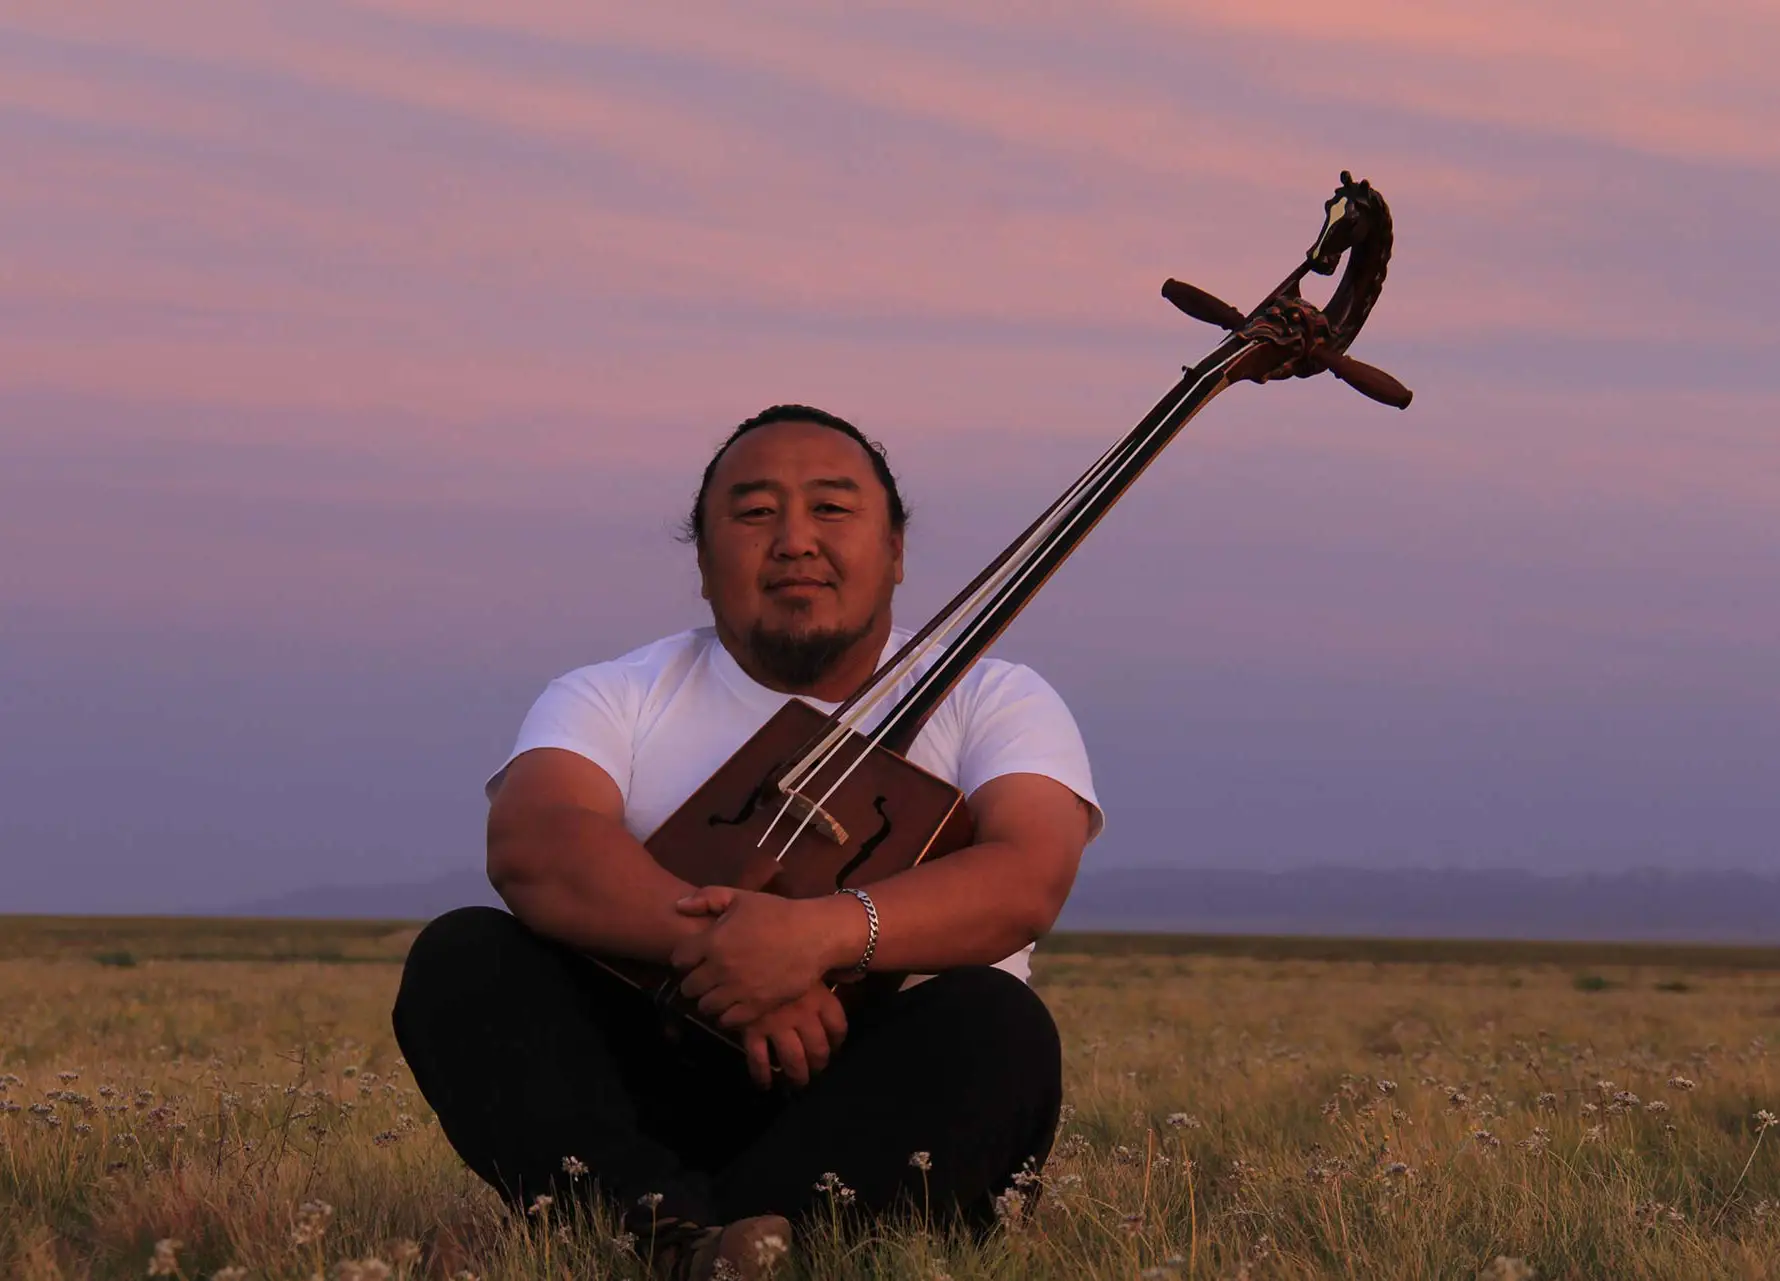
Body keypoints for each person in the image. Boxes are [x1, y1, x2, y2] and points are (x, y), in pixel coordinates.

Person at [392, 405, 1102, 1279]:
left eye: (832, 508)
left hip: (870, 1097)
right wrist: (730, 953)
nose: (795, 541)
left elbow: (1028, 877)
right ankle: (690, 1239)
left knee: (998, 1024)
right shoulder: (614, 692)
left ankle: (654, 1241)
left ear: (896, 550)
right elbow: (535, 843)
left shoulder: (999, 695)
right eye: (756, 512)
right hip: (660, 1076)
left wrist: (817, 936)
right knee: (463, 957)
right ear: (701, 561)